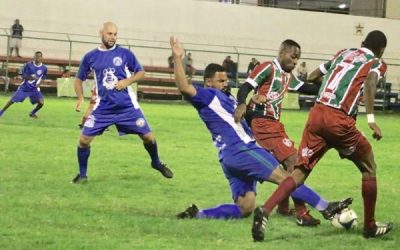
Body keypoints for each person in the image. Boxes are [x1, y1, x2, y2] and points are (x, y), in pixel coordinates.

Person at [170, 36, 350, 224]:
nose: (226, 83)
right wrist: (177, 58)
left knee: (245, 207)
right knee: (287, 178)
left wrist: (251, 103)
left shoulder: (227, 98)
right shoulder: (207, 96)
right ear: (208, 82)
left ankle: (197, 215)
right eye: (220, 81)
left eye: (226, 80)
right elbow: (184, 87)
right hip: (242, 150)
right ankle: (326, 207)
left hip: (229, 159)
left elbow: (239, 119)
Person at [251, 30, 393, 241]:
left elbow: (313, 76)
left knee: (299, 172)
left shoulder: (344, 53)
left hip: (317, 114)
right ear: (381, 50)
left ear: (362, 42)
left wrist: (331, 90)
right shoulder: (376, 63)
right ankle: (369, 226)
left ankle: (266, 209)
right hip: (339, 120)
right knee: (369, 167)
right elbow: (371, 83)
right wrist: (371, 119)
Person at [72, 22, 173, 183]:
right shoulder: (91, 56)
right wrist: (80, 98)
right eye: (109, 34)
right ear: (101, 33)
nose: (112, 37)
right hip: (102, 108)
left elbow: (141, 73)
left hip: (127, 108)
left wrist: (127, 81)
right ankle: (82, 175)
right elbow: (78, 79)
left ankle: (156, 162)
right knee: (83, 141)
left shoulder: (125, 53)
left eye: (115, 34)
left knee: (148, 137)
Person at [234, 40, 322, 220]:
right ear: (282, 52)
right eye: (293, 56)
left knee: (286, 165)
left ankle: (283, 207)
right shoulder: (268, 67)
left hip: (274, 124)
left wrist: (328, 82)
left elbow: (309, 88)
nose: (295, 62)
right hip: (262, 122)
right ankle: (301, 213)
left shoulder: (288, 76)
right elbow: (245, 87)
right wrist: (242, 103)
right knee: (294, 162)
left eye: (298, 59)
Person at [0, 51, 47, 118]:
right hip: (25, 87)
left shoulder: (44, 68)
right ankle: (1, 111)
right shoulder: (29, 65)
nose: (37, 58)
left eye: (39, 56)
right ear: (34, 57)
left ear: (42, 58)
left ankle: (32, 113)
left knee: (41, 103)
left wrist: (39, 84)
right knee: (12, 101)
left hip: (34, 89)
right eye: (36, 56)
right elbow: (23, 75)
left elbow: (44, 76)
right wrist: (30, 77)